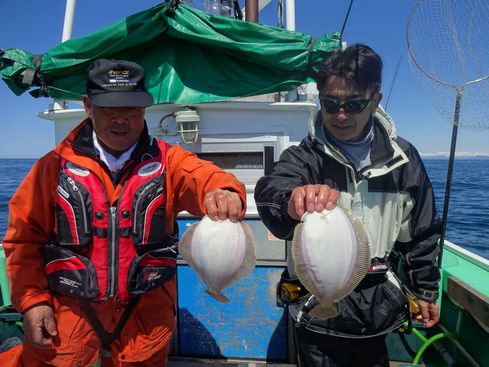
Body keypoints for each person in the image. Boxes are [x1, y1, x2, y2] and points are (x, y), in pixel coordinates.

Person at [1, 59, 246, 366]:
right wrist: (33, 302)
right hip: (68, 320)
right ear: (88, 106)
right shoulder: (51, 168)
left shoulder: (171, 162)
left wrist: (225, 192)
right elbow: (23, 241)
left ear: (144, 109)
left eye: (131, 109)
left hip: (145, 321)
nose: (121, 119)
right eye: (109, 109)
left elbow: (207, 177)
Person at [254, 44, 441, 367]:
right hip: (315, 310)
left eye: (353, 104)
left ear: (375, 100)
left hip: (377, 309)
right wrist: (291, 200)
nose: (340, 115)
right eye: (330, 103)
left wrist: (425, 290)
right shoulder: (305, 157)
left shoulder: (403, 159)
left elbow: (421, 232)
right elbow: (271, 190)